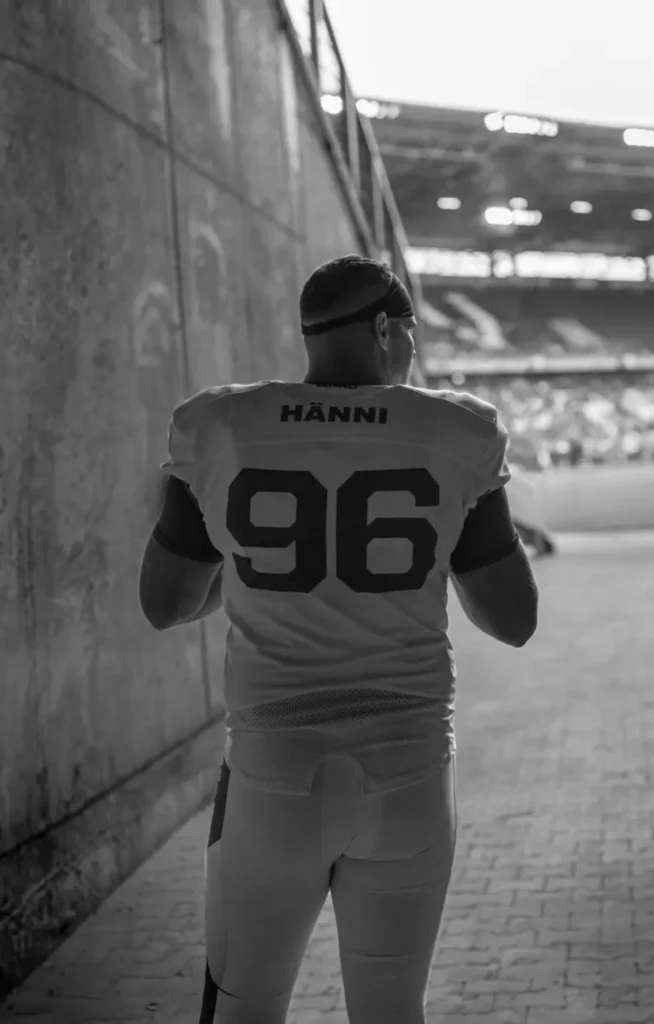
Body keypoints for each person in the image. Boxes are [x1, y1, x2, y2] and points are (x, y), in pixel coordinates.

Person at [138, 255, 539, 1024]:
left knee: (243, 1009)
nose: (413, 349)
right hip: (408, 767)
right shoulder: (456, 430)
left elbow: (165, 603)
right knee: (391, 1012)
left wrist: (251, 565)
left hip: (269, 771)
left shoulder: (219, 424)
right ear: (385, 327)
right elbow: (511, 622)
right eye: (411, 332)